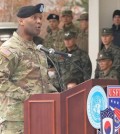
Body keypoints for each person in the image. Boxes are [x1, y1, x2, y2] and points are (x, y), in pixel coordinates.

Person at [0, 3, 57, 134]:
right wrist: (28, 98)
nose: (39, 22)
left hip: (39, 117)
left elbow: (43, 82)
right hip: (16, 122)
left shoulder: (39, 51)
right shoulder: (9, 49)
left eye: (40, 18)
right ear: (21, 21)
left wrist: (57, 96)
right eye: (34, 17)